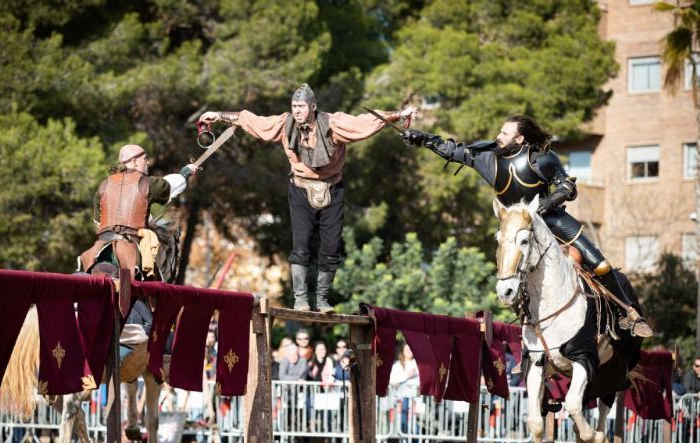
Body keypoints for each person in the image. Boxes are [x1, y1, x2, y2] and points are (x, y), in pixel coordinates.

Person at [402, 116, 652, 338]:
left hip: (550, 219)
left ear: (520, 138)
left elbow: (567, 187)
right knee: (510, 273)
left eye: (505, 133)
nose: (498, 136)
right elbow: (453, 151)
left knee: (601, 265)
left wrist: (547, 203)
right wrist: (422, 138)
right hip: (515, 227)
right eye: (500, 132)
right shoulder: (488, 158)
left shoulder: (542, 159)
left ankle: (629, 313)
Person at [200, 85, 416, 312]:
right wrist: (219, 116)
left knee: (331, 248)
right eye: (294, 106)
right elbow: (252, 120)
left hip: (332, 190)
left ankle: (322, 300)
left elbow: (364, 122)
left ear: (313, 107)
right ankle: (301, 298)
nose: (297, 110)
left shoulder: (333, 124)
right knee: (301, 247)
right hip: (300, 190)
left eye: (301, 106)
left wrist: (399, 114)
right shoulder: (284, 124)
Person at [79, 144, 198, 279]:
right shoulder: (146, 183)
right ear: (134, 161)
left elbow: (98, 221)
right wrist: (185, 172)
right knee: (151, 283)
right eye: (145, 158)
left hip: (100, 249)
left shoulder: (104, 184)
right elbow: (171, 186)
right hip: (130, 251)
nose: (147, 162)